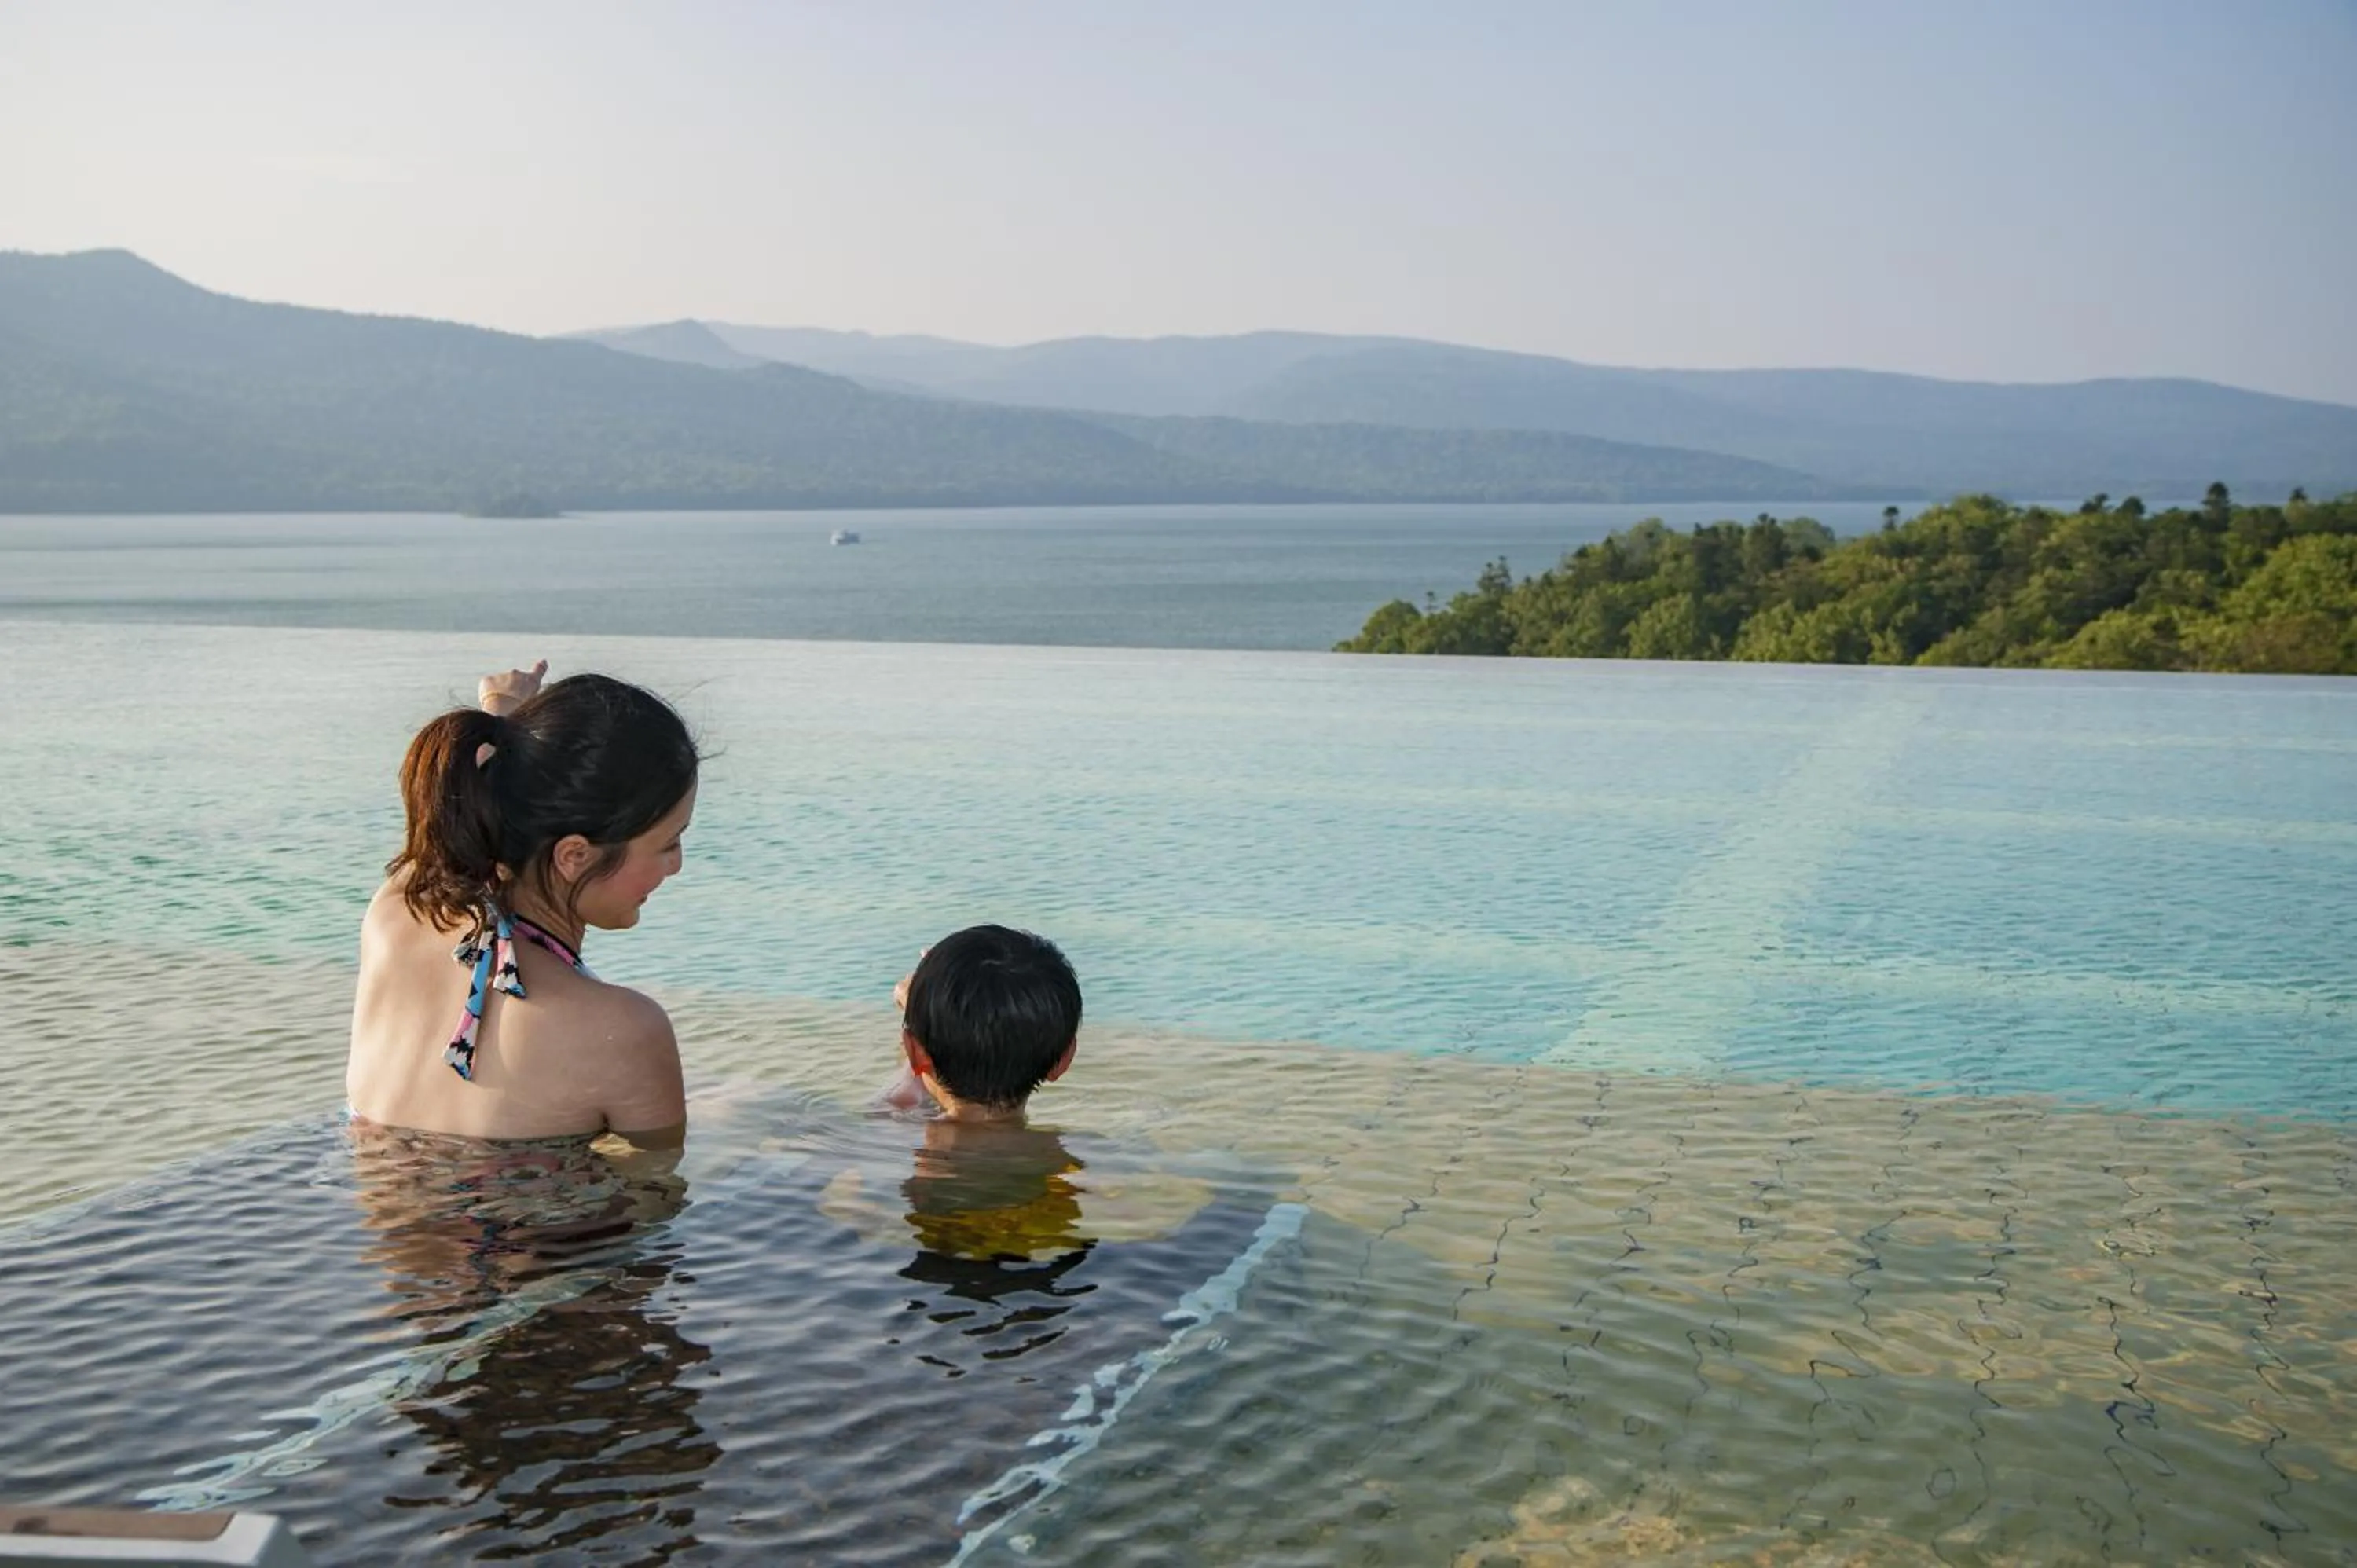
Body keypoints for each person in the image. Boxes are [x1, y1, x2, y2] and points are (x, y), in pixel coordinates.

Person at [345, 661, 699, 1147]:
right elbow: (657, 1195)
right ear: (574, 855)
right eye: (669, 843)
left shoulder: (396, 909)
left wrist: (505, 717)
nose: (677, 865)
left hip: (365, 1203)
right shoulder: (623, 1029)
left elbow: (456, 815)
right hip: (523, 1219)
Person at [881, 925, 1080, 1121]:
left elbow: (915, 1077)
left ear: (914, 1051)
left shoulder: (890, 1131)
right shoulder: (1090, 1150)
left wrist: (920, 1014)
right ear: (1065, 1058)